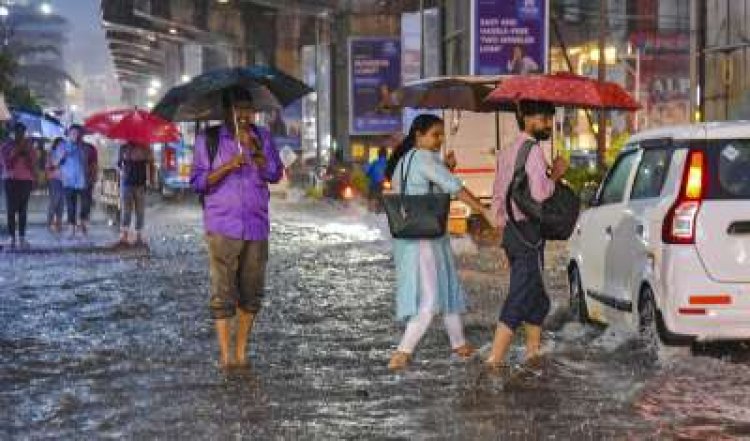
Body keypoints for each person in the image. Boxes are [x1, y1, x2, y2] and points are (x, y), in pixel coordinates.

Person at [386, 114, 496, 371]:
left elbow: (427, 188)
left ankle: (460, 346)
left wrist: (445, 168)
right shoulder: (424, 159)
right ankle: (401, 354)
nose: (440, 139)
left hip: (419, 236)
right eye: (435, 134)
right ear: (418, 135)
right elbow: (454, 188)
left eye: (442, 134)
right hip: (423, 240)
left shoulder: (405, 160)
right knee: (429, 301)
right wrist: (483, 210)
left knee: (447, 292)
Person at [190, 97, 283, 369]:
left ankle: (241, 352)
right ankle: (225, 354)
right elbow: (197, 182)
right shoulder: (209, 139)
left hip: (256, 224)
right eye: (239, 108)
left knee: (252, 291)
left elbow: (275, 174)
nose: (245, 114)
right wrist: (229, 165)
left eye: (249, 108)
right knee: (223, 290)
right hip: (222, 224)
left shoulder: (262, 136)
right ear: (227, 111)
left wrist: (260, 158)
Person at [485, 100, 569, 369]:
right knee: (521, 295)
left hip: (513, 232)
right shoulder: (532, 151)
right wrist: (555, 175)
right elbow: (541, 194)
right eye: (543, 119)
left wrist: (503, 231)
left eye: (549, 120)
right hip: (529, 233)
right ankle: (493, 362)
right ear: (525, 117)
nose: (547, 125)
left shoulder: (507, 151)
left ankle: (533, 354)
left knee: (537, 297)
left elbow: (498, 195)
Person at [1, 122, 37, 249]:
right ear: (13, 133)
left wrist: (26, 153)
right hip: (11, 179)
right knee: (11, 209)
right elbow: (7, 164)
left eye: (22, 132)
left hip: (26, 180)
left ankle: (22, 237)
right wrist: (17, 151)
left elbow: (32, 163)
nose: (20, 135)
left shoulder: (29, 147)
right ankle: (11, 237)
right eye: (17, 132)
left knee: (23, 210)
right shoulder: (6, 146)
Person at [117, 141, 154, 246]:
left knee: (140, 211)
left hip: (140, 184)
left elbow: (151, 165)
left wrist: (151, 181)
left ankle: (139, 236)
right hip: (126, 183)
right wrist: (122, 170)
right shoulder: (123, 148)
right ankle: (124, 235)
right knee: (126, 210)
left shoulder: (146, 148)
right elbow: (119, 164)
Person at [55, 125, 88, 239]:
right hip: (68, 180)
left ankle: (82, 223)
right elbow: (56, 163)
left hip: (81, 179)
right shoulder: (62, 146)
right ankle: (71, 227)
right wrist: (62, 156)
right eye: (73, 133)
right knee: (70, 205)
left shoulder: (83, 147)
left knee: (84, 204)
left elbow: (85, 161)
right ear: (68, 134)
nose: (75, 135)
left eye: (77, 133)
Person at [46, 137, 65, 233]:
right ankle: (49, 223)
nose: (62, 146)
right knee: (54, 202)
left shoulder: (65, 155)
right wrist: (59, 163)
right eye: (60, 144)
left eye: (63, 144)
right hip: (54, 180)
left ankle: (59, 223)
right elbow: (50, 168)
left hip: (63, 181)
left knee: (61, 203)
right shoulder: (51, 154)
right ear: (56, 144)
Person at [80, 141, 99, 235]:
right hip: (83, 179)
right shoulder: (90, 148)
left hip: (86, 179)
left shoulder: (90, 148)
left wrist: (94, 176)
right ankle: (83, 221)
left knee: (86, 201)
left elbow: (94, 164)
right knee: (86, 201)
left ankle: (83, 221)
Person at [365, 146, 388, 211]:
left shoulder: (375, 163)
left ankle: (371, 208)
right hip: (386, 183)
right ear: (386, 155)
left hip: (375, 183)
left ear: (379, 154)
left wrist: (367, 174)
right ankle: (383, 206)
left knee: (371, 194)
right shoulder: (389, 163)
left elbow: (368, 171)